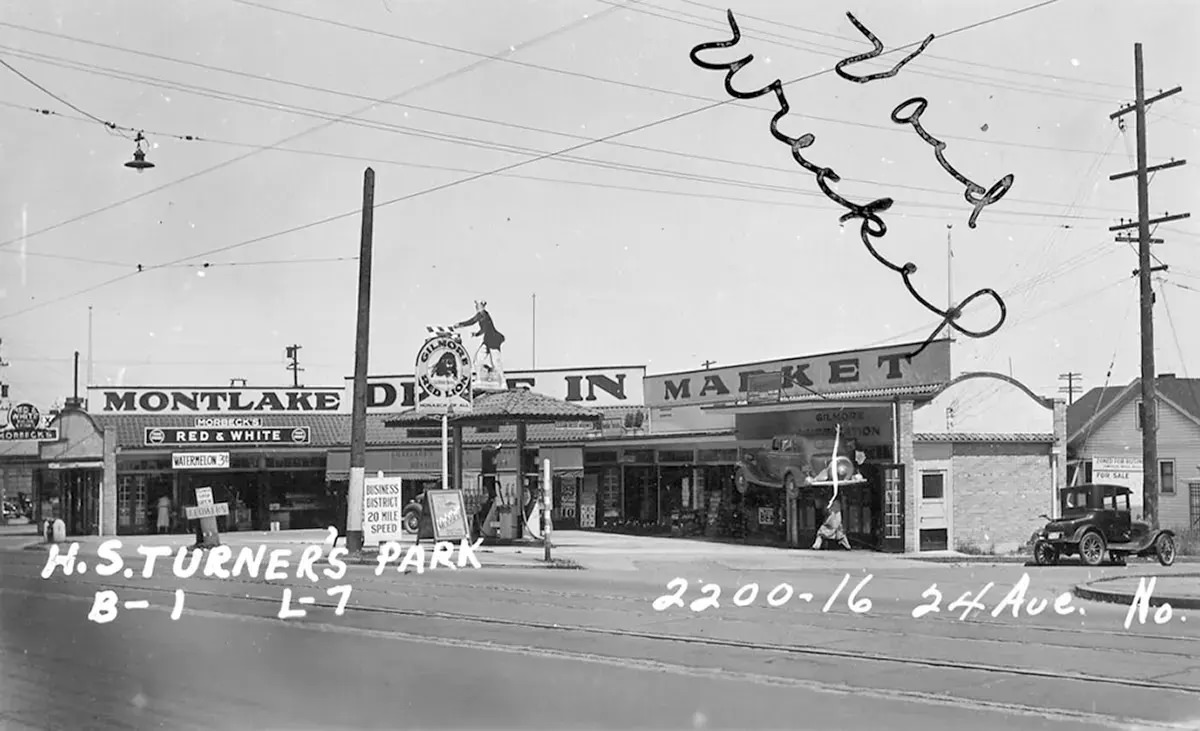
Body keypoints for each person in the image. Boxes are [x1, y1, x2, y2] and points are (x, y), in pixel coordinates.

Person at [455, 300, 505, 379]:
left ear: (482, 307)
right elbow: (483, 328)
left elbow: (473, 322)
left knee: (496, 363)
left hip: (493, 341)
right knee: (477, 361)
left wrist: (460, 324)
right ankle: (479, 380)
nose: (477, 308)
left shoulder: (483, 314)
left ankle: (502, 382)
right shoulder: (483, 315)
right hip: (487, 341)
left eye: (478, 306)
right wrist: (476, 334)